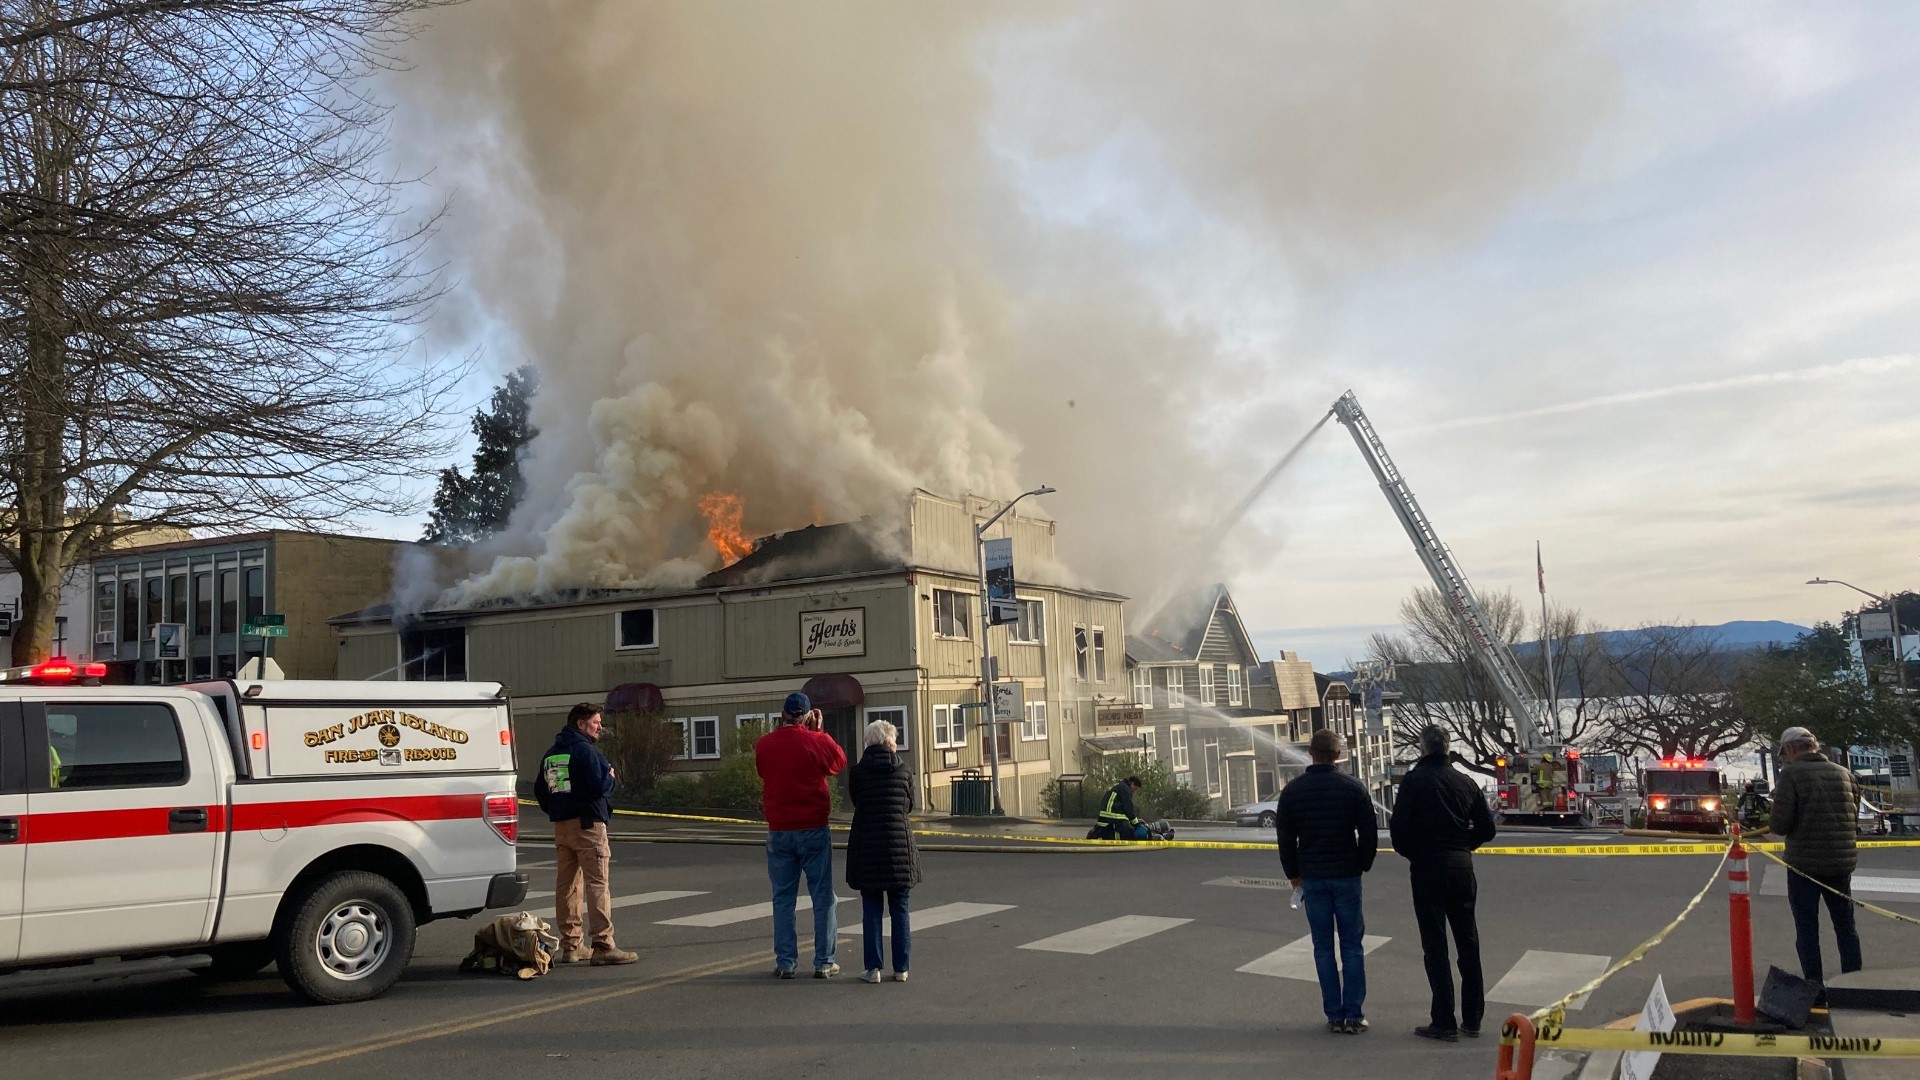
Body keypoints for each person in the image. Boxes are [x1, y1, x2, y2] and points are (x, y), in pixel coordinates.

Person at [1390, 725, 1497, 1042]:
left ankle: (1443, 1021)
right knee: (1468, 943)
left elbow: (1398, 833)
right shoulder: (1466, 782)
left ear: (1423, 749)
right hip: (1461, 866)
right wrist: (1465, 844)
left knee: (1435, 945)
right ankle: (1473, 1018)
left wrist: (1416, 854)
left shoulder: (1413, 781)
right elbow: (1487, 829)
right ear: (1448, 749)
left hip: (1427, 867)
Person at [1275, 729, 1379, 1034]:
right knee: (1352, 946)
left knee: (1322, 946)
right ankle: (1354, 1014)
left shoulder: (1293, 792)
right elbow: (1369, 832)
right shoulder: (1353, 788)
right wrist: (1363, 862)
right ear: (1337, 755)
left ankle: (1334, 1015)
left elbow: (1285, 838)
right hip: (1347, 874)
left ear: (1310, 752)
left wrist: (1293, 873)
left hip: (1313, 876)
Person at [533, 703, 638, 966]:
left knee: (567, 885)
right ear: (580, 724)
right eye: (595, 722)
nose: (600, 726)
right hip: (589, 826)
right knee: (597, 883)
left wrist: (558, 808)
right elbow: (596, 786)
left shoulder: (553, 754)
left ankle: (572, 946)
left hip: (562, 827)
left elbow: (541, 791)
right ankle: (603, 944)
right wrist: (611, 778)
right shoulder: (586, 752)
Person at [755, 692, 848, 979]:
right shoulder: (815, 740)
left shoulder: (765, 744)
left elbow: (763, 771)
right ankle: (823, 961)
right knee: (823, 896)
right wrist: (818, 731)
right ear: (807, 716)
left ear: (782, 714)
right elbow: (838, 763)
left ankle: (786, 962)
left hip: (780, 828)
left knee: (783, 897)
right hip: (812, 827)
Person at [1771, 725, 1862, 986]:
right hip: (1840, 863)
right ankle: (1854, 984)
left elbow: (1780, 825)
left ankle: (1815, 986)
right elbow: (1853, 816)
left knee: (1807, 929)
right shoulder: (1845, 774)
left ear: (1790, 749)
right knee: (1846, 927)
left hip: (1804, 866)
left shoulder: (1791, 776)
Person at [845, 717, 919, 984]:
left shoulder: (857, 773)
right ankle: (902, 968)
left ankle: (873, 968)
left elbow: (857, 801)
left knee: (871, 908)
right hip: (899, 846)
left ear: (868, 743)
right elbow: (909, 805)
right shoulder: (905, 771)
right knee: (900, 908)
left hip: (868, 847)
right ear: (891, 742)